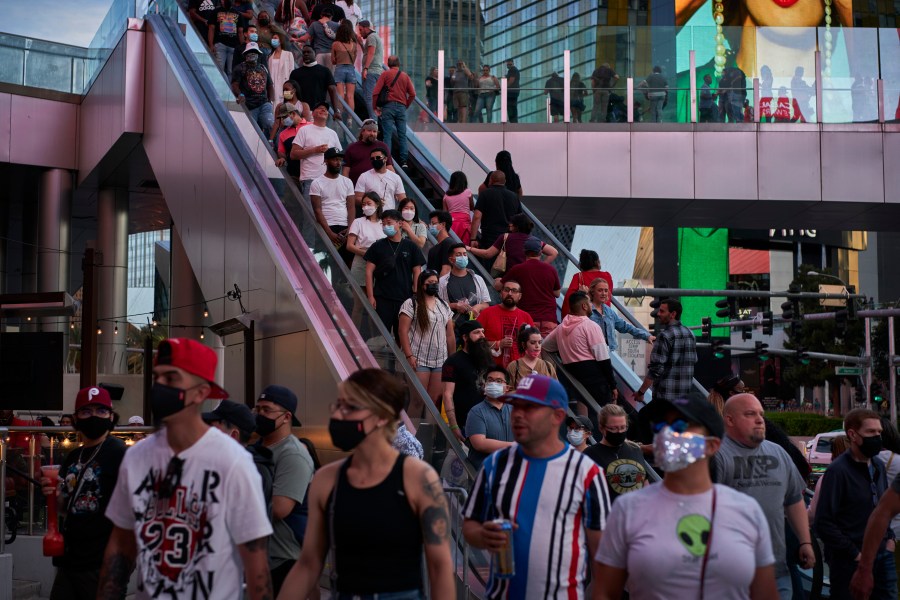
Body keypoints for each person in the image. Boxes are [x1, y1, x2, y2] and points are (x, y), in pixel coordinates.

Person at [99, 338, 273, 599]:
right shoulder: (136, 458)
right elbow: (121, 546)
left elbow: (256, 566)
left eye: (171, 378)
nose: (159, 387)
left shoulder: (234, 462)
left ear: (201, 392)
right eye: (157, 378)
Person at [275, 369, 455, 599]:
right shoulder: (326, 480)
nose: (338, 415)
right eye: (338, 405)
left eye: (350, 407)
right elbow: (309, 564)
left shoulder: (418, 478)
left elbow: (439, 568)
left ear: (381, 415)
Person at [595, 393, 778, 599]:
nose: (667, 434)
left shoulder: (746, 511)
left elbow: (765, 592)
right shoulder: (628, 509)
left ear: (711, 445)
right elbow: (604, 592)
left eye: (680, 426)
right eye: (661, 426)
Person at [462, 374, 611, 599]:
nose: (518, 415)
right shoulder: (495, 464)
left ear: (558, 416)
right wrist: (483, 535)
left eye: (529, 408)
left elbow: (602, 556)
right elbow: (470, 526)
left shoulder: (587, 473)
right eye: (515, 406)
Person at [712, 393, 815, 599]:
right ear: (729, 420)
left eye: (761, 413)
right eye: (750, 414)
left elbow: (794, 500)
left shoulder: (777, 452)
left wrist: (805, 541)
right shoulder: (716, 456)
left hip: (776, 570)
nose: (760, 419)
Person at [41, 386, 126, 600]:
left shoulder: (119, 453)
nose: (94, 416)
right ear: (75, 418)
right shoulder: (73, 456)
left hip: (101, 565)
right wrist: (53, 494)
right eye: (86, 411)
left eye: (101, 411)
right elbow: (66, 507)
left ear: (111, 416)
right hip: (70, 561)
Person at [815, 408, 897, 600]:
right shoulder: (838, 472)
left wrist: (890, 538)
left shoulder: (877, 465)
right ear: (852, 434)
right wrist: (855, 554)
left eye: (879, 433)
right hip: (849, 561)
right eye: (870, 432)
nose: (877, 437)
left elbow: (883, 507)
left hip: (882, 554)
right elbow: (824, 522)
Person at [252, 385, 315, 595]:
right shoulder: (256, 448)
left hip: (283, 558)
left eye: (266, 410)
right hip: (258, 557)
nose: (259, 414)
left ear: (287, 417)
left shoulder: (293, 455)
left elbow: (279, 509)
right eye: (257, 409)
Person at [542, 291, 620, 426]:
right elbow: (603, 358)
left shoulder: (561, 328)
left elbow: (545, 347)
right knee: (609, 416)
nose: (591, 306)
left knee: (583, 409)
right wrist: (613, 385)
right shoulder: (590, 326)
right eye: (589, 303)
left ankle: (585, 440)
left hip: (574, 377)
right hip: (596, 379)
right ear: (584, 306)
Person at [399, 270, 455, 417]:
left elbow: (450, 335)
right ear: (421, 285)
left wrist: (452, 359)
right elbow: (402, 331)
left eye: (435, 283)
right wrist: (409, 355)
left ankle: (429, 437)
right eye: (429, 283)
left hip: (440, 360)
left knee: (433, 401)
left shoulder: (444, 305)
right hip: (418, 357)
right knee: (417, 400)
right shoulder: (411, 303)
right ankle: (411, 436)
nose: (433, 286)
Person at [364, 209, 426, 338]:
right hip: (382, 297)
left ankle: (399, 358)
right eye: (383, 224)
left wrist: (416, 292)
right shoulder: (377, 246)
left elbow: (417, 270)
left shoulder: (411, 246)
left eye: (389, 222)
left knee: (402, 334)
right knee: (380, 334)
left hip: (404, 298)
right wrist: (370, 296)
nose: (386, 226)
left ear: (400, 223)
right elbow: (369, 271)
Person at [631, 298, 697, 406]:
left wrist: (641, 392)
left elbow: (656, 369)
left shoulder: (665, 336)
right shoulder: (690, 334)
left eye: (662, 311)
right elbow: (693, 361)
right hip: (684, 401)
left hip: (665, 399)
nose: (658, 314)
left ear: (673, 314)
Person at [584, 404, 652, 502]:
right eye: (613, 428)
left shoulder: (634, 449)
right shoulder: (590, 454)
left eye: (623, 427)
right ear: (601, 428)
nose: (619, 432)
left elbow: (645, 483)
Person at [441, 320, 496, 442]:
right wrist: (454, 425)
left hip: (488, 421)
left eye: (483, 332)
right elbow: (447, 394)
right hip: (464, 422)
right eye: (477, 332)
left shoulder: (487, 359)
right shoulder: (452, 362)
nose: (482, 335)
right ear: (465, 337)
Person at [500, 236, 560, 336]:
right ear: (541, 252)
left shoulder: (518, 269)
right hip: (549, 319)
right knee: (547, 350)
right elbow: (557, 293)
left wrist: (498, 280)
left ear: (524, 252)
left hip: (527, 319)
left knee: (527, 349)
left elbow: (499, 286)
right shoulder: (550, 269)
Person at [468, 213, 558, 275]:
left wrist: (470, 249)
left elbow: (488, 254)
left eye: (512, 223)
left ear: (517, 226)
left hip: (511, 276)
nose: (509, 224)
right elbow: (554, 252)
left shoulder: (505, 237)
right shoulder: (533, 240)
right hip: (529, 275)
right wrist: (540, 267)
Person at [310, 147, 355, 266]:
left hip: (345, 227)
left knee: (346, 263)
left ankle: (343, 285)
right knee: (324, 263)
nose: (338, 163)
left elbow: (351, 207)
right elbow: (317, 210)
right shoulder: (317, 183)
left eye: (340, 160)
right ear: (326, 161)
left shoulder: (347, 182)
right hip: (326, 227)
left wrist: (350, 228)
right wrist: (329, 233)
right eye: (335, 159)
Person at [464, 366, 514, 470]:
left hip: (509, 472)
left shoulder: (515, 411)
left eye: (499, 381)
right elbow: (479, 443)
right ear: (485, 385)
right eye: (490, 380)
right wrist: (515, 446)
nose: (493, 384)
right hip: (484, 474)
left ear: (507, 388)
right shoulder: (476, 412)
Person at [477, 279, 535, 367]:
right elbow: (475, 340)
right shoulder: (487, 313)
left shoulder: (526, 317)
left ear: (520, 296)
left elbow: (534, 344)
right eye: (507, 290)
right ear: (501, 293)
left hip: (518, 370)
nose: (510, 294)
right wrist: (498, 344)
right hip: (491, 369)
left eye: (514, 291)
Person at [588, 277, 655, 353]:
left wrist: (647, 336)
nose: (603, 293)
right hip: (592, 354)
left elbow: (625, 326)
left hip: (610, 354)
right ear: (593, 292)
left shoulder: (609, 311)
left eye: (606, 291)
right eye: (600, 290)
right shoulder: (586, 310)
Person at [290, 101, 342, 200]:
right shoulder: (304, 130)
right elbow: (293, 154)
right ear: (313, 113)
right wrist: (315, 150)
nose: (323, 110)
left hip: (331, 179)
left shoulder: (333, 133)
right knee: (311, 213)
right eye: (320, 108)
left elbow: (339, 158)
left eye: (326, 109)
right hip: (311, 179)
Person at [372, 55, 417, 169]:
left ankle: (387, 160)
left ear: (388, 64)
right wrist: (405, 105)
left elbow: (376, 92)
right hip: (401, 107)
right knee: (402, 135)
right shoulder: (405, 76)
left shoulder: (385, 74)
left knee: (387, 135)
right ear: (399, 64)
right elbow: (412, 94)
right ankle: (404, 162)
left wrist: (374, 107)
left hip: (388, 107)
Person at [438, 243, 492, 330]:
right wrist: (455, 306)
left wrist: (478, 307)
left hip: (474, 328)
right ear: (451, 260)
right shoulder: (443, 281)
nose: (463, 257)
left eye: (464, 254)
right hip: (453, 328)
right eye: (458, 255)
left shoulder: (478, 279)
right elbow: (438, 305)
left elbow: (486, 303)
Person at [469, 170, 521, 252]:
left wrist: (473, 239)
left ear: (491, 180)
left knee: (488, 261)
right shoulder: (514, 196)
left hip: (489, 237)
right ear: (505, 181)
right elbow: (519, 219)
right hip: (508, 237)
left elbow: (477, 216)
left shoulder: (485, 194)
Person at [232, 43, 276, 134]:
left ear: (259, 54)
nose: (252, 54)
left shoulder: (263, 68)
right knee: (252, 130)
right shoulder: (240, 68)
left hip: (264, 103)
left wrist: (271, 101)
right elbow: (234, 84)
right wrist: (240, 94)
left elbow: (270, 85)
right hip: (249, 105)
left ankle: (270, 143)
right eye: (250, 52)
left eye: (254, 52)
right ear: (245, 54)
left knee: (269, 124)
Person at [346, 191, 384, 291]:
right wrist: (366, 253)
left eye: (369, 203)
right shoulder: (358, 222)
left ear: (377, 204)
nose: (366, 206)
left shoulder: (384, 223)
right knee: (360, 301)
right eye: (363, 204)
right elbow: (349, 245)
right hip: (361, 262)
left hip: (381, 264)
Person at [287, 46, 341, 116]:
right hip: (300, 112)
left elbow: (332, 90)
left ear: (314, 54)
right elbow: (289, 91)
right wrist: (287, 108)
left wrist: (336, 111)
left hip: (318, 112)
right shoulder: (295, 73)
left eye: (308, 52)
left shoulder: (324, 71)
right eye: (304, 53)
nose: (306, 54)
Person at [561, 248, 613, 317]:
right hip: (605, 315)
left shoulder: (579, 277)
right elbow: (609, 294)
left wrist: (565, 318)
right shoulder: (607, 276)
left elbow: (569, 299)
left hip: (587, 316)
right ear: (597, 262)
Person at [342, 118, 393, 185]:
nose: (372, 133)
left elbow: (389, 167)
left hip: (379, 188)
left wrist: (393, 183)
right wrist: (347, 188)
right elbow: (345, 171)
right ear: (362, 131)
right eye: (369, 131)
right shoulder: (352, 148)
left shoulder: (383, 146)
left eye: (374, 131)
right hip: (356, 188)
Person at [354, 146, 406, 211]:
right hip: (370, 215)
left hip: (389, 216)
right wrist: (373, 201)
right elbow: (356, 198)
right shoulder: (364, 176)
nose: (375, 160)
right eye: (372, 159)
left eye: (378, 157)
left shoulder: (395, 177)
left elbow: (402, 199)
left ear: (385, 159)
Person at [207, 0, 245, 79]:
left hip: (234, 47)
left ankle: (229, 90)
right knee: (220, 70)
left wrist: (242, 48)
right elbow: (211, 28)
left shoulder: (238, 13)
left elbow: (240, 32)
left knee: (230, 71)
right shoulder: (215, 12)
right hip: (220, 44)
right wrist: (211, 44)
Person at [357, 20, 384, 119]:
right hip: (376, 71)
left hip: (371, 72)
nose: (360, 32)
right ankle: (375, 120)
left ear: (366, 27)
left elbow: (371, 53)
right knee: (372, 99)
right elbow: (369, 53)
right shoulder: (375, 36)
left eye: (360, 30)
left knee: (369, 98)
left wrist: (365, 69)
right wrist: (361, 44)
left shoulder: (371, 37)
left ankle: (374, 121)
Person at [331, 20, 358, 118]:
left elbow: (333, 60)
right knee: (350, 96)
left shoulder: (335, 44)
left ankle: (340, 116)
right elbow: (354, 59)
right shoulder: (354, 45)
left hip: (339, 68)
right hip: (351, 69)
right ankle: (351, 119)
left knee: (340, 95)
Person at [442, 171, 474, 244]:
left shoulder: (446, 196)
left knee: (452, 244)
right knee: (464, 245)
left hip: (452, 223)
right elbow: (472, 207)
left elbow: (444, 213)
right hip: (465, 223)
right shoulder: (468, 192)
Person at [267, 34, 296, 107]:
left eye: (275, 38)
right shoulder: (270, 56)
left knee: (285, 105)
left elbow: (291, 71)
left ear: (280, 40)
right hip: (273, 84)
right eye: (272, 38)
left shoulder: (288, 54)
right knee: (273, 104)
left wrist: (290, 86)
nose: (273, 40)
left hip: (285, 84)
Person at [307, 6, 338, 70]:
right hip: (331, 54)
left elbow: (305, 38)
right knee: (331, 76)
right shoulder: (336, 25)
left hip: (319, 53)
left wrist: (296, 39)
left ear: (321, 15)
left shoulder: (314, 24)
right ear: (331, 16)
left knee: (319, 75)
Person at [426, 210, 454, 276]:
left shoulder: (448, 243)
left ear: (443, 224)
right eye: (430, 224)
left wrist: (439, 285)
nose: (430, 226)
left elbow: (446, 269)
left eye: (433, 223)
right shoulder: (432, 249)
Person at [505, 59, 520, 123]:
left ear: (512, 63)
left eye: (510, 64)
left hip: (511, 92)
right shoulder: (513, 70)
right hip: (513, 91)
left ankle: (513, 121)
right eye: (508, 64)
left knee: (511, 107)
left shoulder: (512, 70)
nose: (508, 66)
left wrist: (504, 87)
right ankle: (513, 121)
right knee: (512, 106)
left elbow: (511, 80)